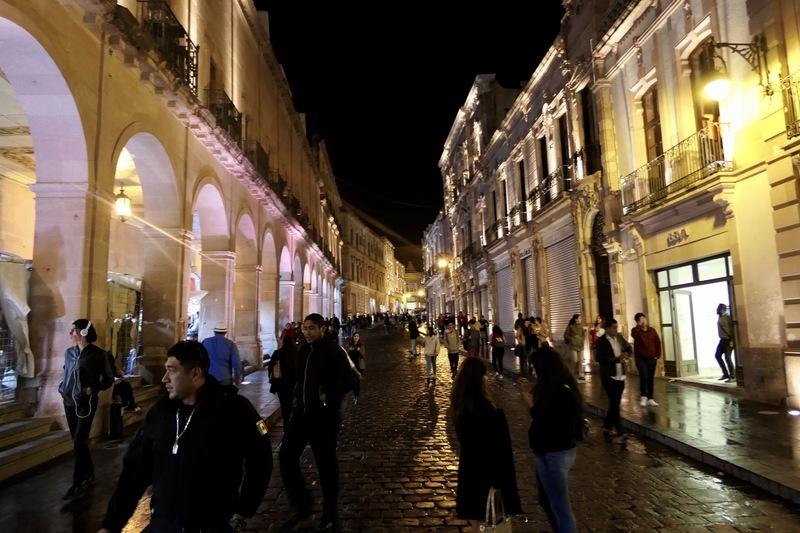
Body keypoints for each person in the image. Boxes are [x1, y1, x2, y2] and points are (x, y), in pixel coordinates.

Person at [99, 340, 272, 533]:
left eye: (172, 370)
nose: (164, 378)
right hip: (164, 525)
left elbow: (261, 458)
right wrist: (111, 524)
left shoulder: (234, 409)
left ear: (195, 374)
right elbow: (134, 473)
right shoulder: (160, 414)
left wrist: (243, 510)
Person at [279, 314, 355, 531]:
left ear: (322, 329)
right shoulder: (303, 350)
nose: (307, 332)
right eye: (304, 328)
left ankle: (330, 514)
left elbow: (349, 381)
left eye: (312, 328)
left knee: (326, 466)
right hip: (301, 415)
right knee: (285, 456)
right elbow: (301, 380)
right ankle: (302, 504)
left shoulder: (333, 351)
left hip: (324, 418)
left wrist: (326, 396)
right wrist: (296, 400)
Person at [452, 357, 521, 531]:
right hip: (488, 470)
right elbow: (501, 448)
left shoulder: (459, 406)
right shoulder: (488, 410)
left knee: (476, 517)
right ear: (481, 379)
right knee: (487, 518)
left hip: (469, 468)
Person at [521, 346, 583, 533]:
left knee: (560, 507)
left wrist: (527, 397)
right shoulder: (553, 386)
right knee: (546, 499)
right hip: (547, 451)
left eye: (535, 367)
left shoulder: (561, 390)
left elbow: (541, 415)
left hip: (555, 453)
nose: (533, 371)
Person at [59, 319, 114, 500]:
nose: (70, 334)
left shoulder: (99, 355)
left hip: (87, 402)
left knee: (79, 440)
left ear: (83, 332)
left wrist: (93, 389)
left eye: (73, 330)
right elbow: (66, 372)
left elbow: (108, 379)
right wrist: (62, 388)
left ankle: (77, 482)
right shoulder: (69, 353)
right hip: (69, 401)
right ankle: (89, 473)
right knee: (78, 441)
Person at [594, 319, 632, 443]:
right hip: (609, 375)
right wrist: (616, 359)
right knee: (615, 404)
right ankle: (621, 432)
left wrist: (626, 354)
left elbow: (628, 348)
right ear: (608, 329)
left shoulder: (620, 338)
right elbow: (600, 358)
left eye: (617, 327)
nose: (616, 330)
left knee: (614, 403)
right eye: (614, 327)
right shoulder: (601, 342)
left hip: (620, 375)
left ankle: (607, 427)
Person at [631, 312, 661, 407]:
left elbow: (657, 342)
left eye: (644, 318)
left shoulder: (652, 330)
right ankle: (643, 396)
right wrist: (639, 326)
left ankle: (650, 398)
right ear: (637, 321)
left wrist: (657, 355)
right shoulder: (636, 330)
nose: (643, 320)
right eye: (640, 319)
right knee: (644, 376)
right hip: (641, 358)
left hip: (652, 358)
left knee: (651, 378)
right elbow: (634, 335)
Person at [268, 334, 299, 423]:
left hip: (281, 385)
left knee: (284, 405)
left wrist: (272, 379)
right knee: (293, 404)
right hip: (294, 384)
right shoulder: (297, 353)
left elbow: (270, 368)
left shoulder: (277, 353)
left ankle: (286, 424)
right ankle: (293, 423)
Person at [715, 303, 736, 383]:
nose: (717, 310)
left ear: (722, 309)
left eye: (718, 308)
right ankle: (725, 374)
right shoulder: (720, 317)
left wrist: (732, 340)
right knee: (717, 356)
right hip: (722, 340)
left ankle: (733, 376)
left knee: (727, 358)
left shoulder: (727, 317)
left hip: (728, 340)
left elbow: (732, 329)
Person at [564, 314, 586, 381]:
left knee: (581, 361)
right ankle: (571, 373)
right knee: (575, 360)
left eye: (580, 318)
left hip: (580, 346)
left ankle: (581, 375)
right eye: (579, 318)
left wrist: (582, 340)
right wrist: (572, 339)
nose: (580, 319)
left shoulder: (581, 327)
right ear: (575, 319)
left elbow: (583, 335)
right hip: (573, 346)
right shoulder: (570, 326)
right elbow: (566, 335)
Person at [346, 332, 366, 403]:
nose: (356, 337)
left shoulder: (361, 345)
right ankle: (355, 394)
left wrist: (359, 350)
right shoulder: (350, 344)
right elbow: (346, 354)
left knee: (357, 382)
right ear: (353, 337)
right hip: (351, 366)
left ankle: (356, 395)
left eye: (357, 336)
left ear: (359, 337)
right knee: (353, 381)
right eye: (355, 336)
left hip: (359, 366)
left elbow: (363, 355)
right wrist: (349, 350)